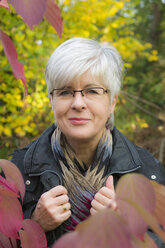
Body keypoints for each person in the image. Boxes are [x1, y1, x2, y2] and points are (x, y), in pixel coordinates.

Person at [11, 37, 165, 247]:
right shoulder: (18, 171)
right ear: (51, 101)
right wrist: (34, 225)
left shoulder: (148, 172)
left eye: (92, 91)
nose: (78, 103)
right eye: (65, 92)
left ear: (112, 102)